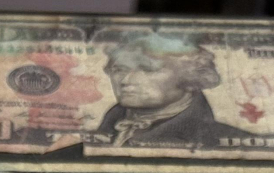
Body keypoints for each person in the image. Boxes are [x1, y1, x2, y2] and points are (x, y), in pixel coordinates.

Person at [96, 34, 228, 147]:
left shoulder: (224, 139)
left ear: (190, 77)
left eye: (148, 70)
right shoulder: (102, 131)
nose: (125, 80)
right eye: (120, 70)